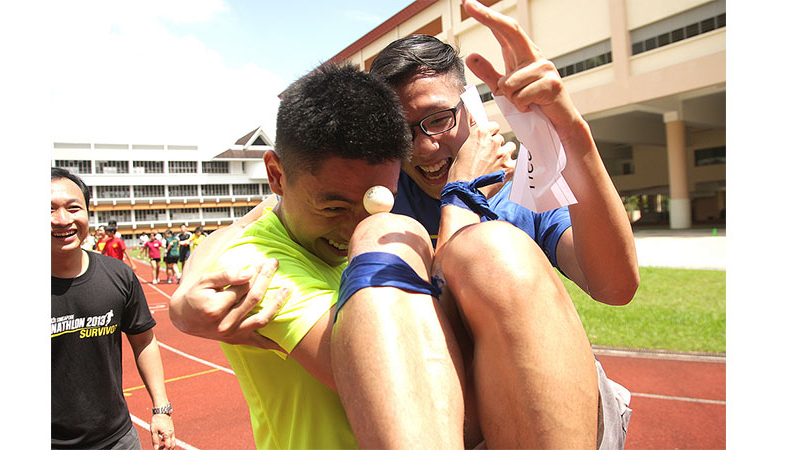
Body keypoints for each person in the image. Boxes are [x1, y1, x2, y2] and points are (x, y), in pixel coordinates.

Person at [171, 1, 637, 447]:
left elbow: (615, 285)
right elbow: (261, 220)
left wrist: (570, 130)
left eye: (438, 119)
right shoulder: (376, 203)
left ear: (472, 109)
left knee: (492, 247)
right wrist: (188, 288)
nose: (426, 147)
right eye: (405, 132)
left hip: (542, 408)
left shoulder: (521, 189)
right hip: (451, 414)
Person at [51, 167, 175, 449]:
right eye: (50, 209)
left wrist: (161, 409)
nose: (63, 220)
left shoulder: (118, 276)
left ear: (87, 212)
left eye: (73, 208)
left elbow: (144, 341)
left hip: (118, 439)